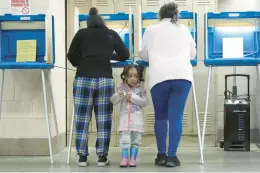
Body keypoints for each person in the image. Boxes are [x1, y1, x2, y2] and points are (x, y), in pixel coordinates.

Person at [67, 7, 130, 167]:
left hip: (83, 78)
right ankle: (102, 157)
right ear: (102, 22)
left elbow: (71, 56)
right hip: (104, 79)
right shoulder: (110, 33)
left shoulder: (81, 33)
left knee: (82, 119)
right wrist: (108, 56)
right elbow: (125, 55)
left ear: (88, 22)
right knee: (103, 119)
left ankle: (82, 157)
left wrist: (82, 61)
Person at [139, 2, 197, 168]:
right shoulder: (184, 29)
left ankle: (161, 155)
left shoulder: (150, 30)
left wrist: (156, 55)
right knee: (176, 117)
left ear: (160, 15)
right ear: (176, 15)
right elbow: (193, 53)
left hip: (159, 77)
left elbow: (143, 55)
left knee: (161, 116)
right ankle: (172, 157)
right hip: (182, 76)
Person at [110, 65, 148, 168]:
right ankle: (124, 159)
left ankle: (133, 159)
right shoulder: (121, 88)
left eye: (136, 76)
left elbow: (144, 102)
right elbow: (113, 101)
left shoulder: (141, 89)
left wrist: (133, 97)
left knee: (136, 141)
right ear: (125, 77)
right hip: (124, 121)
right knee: (124, 140)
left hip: (137, 121)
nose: (133, 79)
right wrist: (119, 95)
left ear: (139, 77)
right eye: (130, 76)